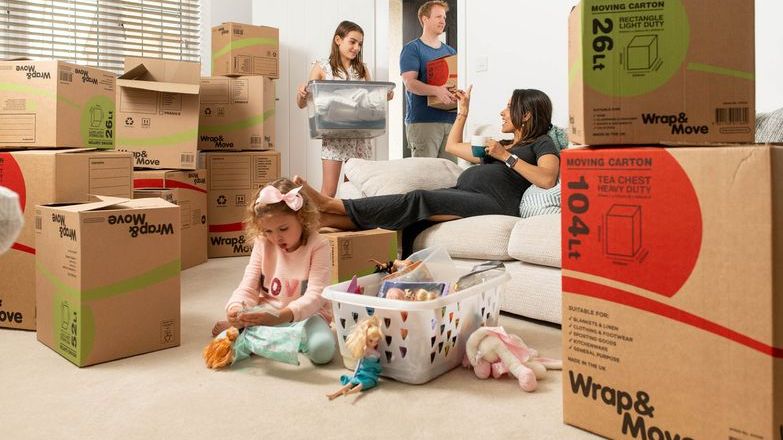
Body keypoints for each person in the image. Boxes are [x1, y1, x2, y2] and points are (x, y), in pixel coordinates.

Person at [294, 87, 560, 238]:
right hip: (467, 193)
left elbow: (547, 179)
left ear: (525, 115)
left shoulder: (541, 142)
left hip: (497, 202)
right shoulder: (500, 145)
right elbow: (453, 147)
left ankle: (330, 203)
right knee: (410, 209)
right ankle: (321, 219)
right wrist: (463, 112)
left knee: (419, 198)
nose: (502, 111)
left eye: (509, 106)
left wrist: (506, 157)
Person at [208, 178, 336, 367]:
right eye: (268, 231)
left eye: (283, 228)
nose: (276, 237)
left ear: (302, 218)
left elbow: (316, 296)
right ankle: (283, 338)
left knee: (323, 350)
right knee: (220, 344)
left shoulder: (319, 245)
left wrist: (281, 317)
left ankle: (262, 336)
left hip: (308, 317)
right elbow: (248, 287)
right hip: (266, 312)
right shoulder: (263, 243)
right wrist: (235, 309)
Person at [296, 21, 393, 198]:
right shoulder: (321, 67)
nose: (356, 47)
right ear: (338, 40)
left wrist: (383, 96)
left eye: (360, 44)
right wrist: (302, 94)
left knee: (353, 191)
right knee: (329, 191)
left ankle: (348, 224)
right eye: (352, 41)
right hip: (333, 136)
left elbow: (369, 100)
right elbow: (304, 104)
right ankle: (321, 224)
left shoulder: (362, 69)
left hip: (359, 137)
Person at [400, 0, 457, 159]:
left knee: (448, 174)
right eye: (438, 16)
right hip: (424, 122)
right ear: (425, 19)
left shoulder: (450, 51)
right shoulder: (412, 49)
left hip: (450, 121)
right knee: (425, 176)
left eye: (444, 17)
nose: (443, 21)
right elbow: (409, 83)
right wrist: (436, 91)